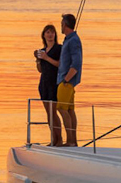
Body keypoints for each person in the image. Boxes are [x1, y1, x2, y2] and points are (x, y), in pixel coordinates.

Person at [33, 24, 63, 146]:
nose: (50, 35)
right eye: (48, 32)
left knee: (54, 112)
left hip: (54, 83)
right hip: (44, 83)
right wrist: (38, 59)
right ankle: (53, 139)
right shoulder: (43, 50)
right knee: (48, 113)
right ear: (44, 35)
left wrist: (46, 57)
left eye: (52, 32)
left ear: (55, 35)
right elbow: (40, 70)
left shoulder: (59, 48)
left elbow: (60, 64)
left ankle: (59, 139)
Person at [56, 13, 83, 147]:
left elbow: (76, 64)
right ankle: (73, 141)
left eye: (61, 24)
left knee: (61, 109)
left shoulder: (73, 40)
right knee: (70, 110)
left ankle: (70, 141)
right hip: (66, 81)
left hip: (66, 81)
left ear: (65, 25)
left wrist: (66, 80)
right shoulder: (68, 39)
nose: (60, 26)